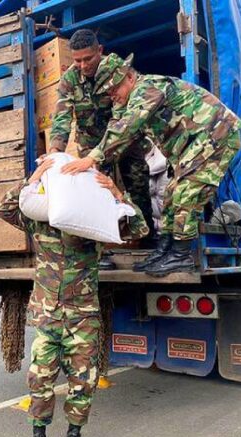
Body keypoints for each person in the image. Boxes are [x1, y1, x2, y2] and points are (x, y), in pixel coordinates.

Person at [0, 158, 149, 437]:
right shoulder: (41, 220)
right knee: (41, 379)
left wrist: (118, 194)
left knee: (84, 380)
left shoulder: (90, 222)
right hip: (49, 315)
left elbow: (139, 228)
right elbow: (6, 208)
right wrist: (36, 175)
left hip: (83, 315)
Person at [62, 54, 241, 276]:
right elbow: (117, 130)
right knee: (170, 195)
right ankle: (165, 250)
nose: (112, 96)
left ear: (129, 77)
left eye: (114, 89)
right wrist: (98, 167)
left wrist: (92, 158)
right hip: (193, 145)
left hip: (217, 133)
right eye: (107, 93)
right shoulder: (126, 101)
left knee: (185, 194)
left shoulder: (147, 88)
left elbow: (127, 127)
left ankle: (181, 256)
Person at [47, 29, 155, 268]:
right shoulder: (70, 80)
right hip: (90, 142)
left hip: (124, 137)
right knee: (94, 190)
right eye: (77, 60)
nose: (83, 65)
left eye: (88, 59)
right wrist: (55, 150)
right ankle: (101, 250)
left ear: (100, 51)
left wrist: (101, 152)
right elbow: (62, 117)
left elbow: (121, 118)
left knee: (137, 182)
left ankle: (146, 240)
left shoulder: (115, 70)